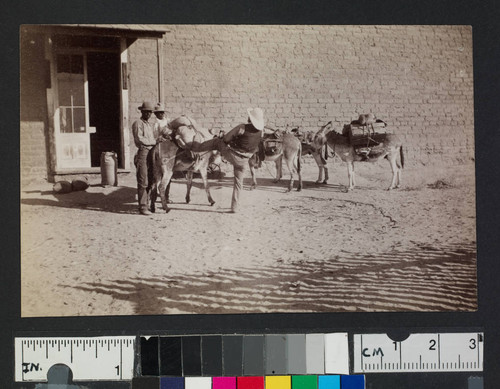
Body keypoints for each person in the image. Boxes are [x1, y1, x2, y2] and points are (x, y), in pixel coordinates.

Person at [192, 108, 265, 213]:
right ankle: (234, 208)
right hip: (244, 161)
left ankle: (197, 148)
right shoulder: (261, 132)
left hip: (233, 155)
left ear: (250, 118)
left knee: (216, 142)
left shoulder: (242, 127)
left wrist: (225, 139)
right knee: (238, 184)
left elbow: (226, 139)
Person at [132, 101, 156, 215]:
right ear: (141, 111)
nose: (148, 114)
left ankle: (147, 203)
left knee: (151, 179)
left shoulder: (148, 125)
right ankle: (142, 207)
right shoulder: (138, 123)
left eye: (150, 112)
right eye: (146, 112)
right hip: (143, 152)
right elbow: (140, 139)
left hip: (151, 152)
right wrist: (154, 141)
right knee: (143, 180)